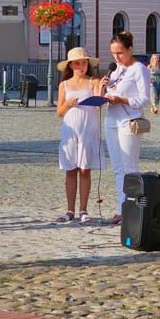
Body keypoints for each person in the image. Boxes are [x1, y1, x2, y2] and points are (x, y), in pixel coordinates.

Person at [98, 31, 150, 225]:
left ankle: (134, 208)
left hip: (129, 121)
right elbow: (109, 92)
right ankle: (122, 207)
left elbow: (144, 99)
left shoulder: (139, 70)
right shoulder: (115, 70)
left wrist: (122, 99)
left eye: (120, 52)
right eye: (113, 53)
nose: (116, 57)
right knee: (118, 168)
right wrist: (103, 89)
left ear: (130, 49)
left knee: (130, 167)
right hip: (111, 120)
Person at [56, 47, 102, 223]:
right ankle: (70, 209)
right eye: (77, 63)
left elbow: (98, 104)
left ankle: (83, 209)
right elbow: (59, 112)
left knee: (84, 169)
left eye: (84, 63)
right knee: (70, 169)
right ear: (70, 66)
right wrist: (67, 104)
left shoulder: (93, 81)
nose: (81, 66)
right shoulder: (64, 85)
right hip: (70, 127)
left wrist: (102, 88)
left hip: (88, 127)